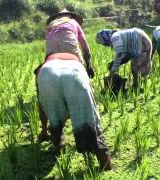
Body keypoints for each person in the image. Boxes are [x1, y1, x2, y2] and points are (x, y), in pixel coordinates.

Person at [35, 9, 112, 170]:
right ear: (69, 17)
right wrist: (89, 66)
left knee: (51, 114)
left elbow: (49, 52)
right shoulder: (74, 23)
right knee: (91, 120)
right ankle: (105, 163)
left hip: (48, 69)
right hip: (73, 67)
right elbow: (85, 48)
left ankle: (54, 143)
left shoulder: (49, 28)